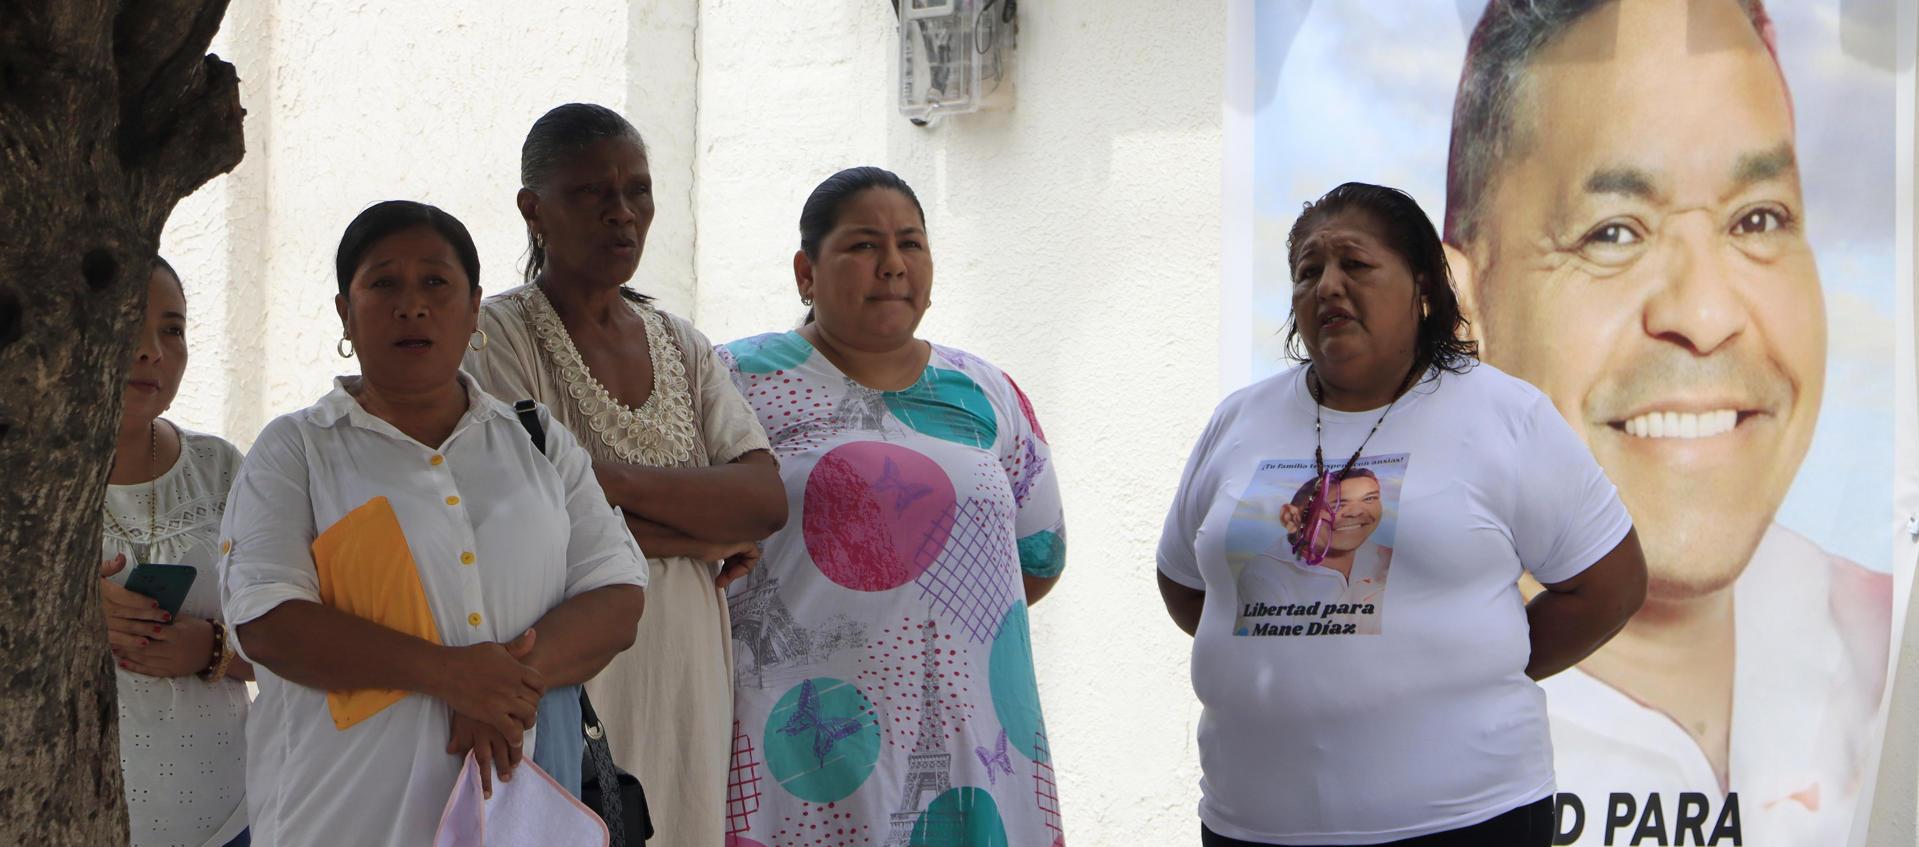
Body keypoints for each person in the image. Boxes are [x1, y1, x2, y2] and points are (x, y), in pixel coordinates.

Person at [1442, 1, 1890, 840]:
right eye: (1612, 233)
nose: (1706, 311)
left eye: (1756, 219)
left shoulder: (1888, 645)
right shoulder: (1377, 714)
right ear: (1461, 310)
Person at [1159, 182, 1648, 846]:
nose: (1327, 285)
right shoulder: (1240, 421)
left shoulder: (1504, 416)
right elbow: (1186, 583)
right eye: (1308, 271)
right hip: (1251, 823)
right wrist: (1282, 646)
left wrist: (1471, 667)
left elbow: (1606, 586)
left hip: (1463, 821)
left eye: (1353, 264)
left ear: (1421, 284)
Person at [218, 200, 648, 847]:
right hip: (342, 820)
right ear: (345, 312)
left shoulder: (536, 440)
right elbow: (269, 621)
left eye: (435, 283)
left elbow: (616, 596)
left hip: (520, 822)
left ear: (474, 309)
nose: (411, 304)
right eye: (384, 282)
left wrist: (499, 685)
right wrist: (450, 674)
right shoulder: (296, 450)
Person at [464, 103, 786, 846]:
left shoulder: (684, 344)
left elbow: (764, 500)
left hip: (686, 670)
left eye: (638, 191)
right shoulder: (493, 337)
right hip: (573, 659)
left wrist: (601, 480)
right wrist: (702, 526)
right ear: (532, 209)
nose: (623, 214)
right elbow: (524, 505)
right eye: (592, 194)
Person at [717, 166, 1068, 847]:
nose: (892, 265)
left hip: (973, 741)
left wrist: (920, 613)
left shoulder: (985, 389)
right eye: (861, 246)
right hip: (800, 743)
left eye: (911, 243)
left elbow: (1037, 556)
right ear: (805, 271)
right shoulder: (734, 378)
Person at [95, 258, 252, 847]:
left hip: (231, 815)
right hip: (65, 813)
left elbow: (299, 639)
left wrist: (211, 649)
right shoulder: (26, 483)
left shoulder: (222, 469)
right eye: (128, 325)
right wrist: (72, 615)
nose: (152, 351)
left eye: (172, 329)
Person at [1242, 470, 1392, 634]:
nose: (1356, 512)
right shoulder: (1264, 575)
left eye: (1369, 499)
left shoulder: (1386, 558)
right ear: (1291, 518)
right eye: (1336, 504)